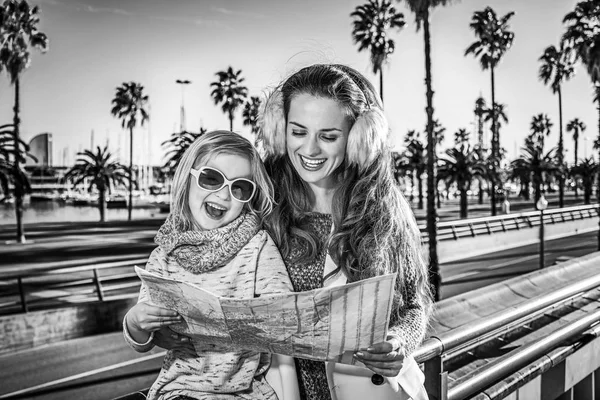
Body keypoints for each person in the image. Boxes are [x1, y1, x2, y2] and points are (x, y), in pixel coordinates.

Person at [259, 64, 433, 400]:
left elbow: (415, 304)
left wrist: (399, 342)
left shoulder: (384, 208)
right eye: (298, 132)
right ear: (280, 129)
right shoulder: (263, 201)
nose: (309, 150)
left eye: (328, 136)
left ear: (357, 137)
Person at [123, 130, 293, 400]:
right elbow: (145, 336)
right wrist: (135, 322)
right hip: (179, 390)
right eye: (211, 179)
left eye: (239, 187)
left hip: (245, 393)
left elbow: (286, 312)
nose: (224, 195)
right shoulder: (164, 254)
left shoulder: (256, 246)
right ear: (187, 178)